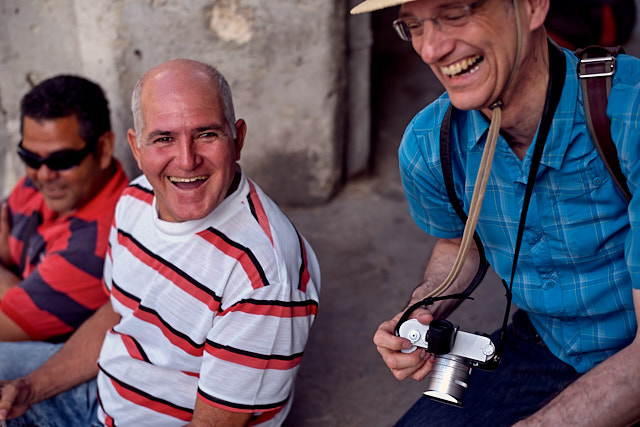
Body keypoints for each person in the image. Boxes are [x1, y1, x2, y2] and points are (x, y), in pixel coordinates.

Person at [351, 0, 640, 425]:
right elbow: (458, 241)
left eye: (455, 14)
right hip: (548, 343)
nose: (430, 50)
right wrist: (422, 310)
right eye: (414, 26)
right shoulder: (431, 143)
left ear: (532, 7)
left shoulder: (628, 109)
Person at [0, 59, 321, 426]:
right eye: (164, 138)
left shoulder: (263, 278)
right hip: (101, 393)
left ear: (239, 139)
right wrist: (31, 388)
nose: (186, 160)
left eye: (207, 134)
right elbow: (118, 313)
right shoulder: (135, 198)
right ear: (137, 148)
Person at [0, 75, 129, 342]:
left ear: (103, 149)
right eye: (30, 157)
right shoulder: (43, 183)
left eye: (62, 159)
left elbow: (5, 327)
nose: (44, 175)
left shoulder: (98, 245)